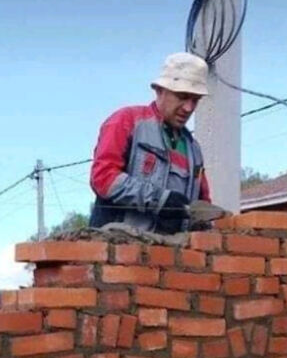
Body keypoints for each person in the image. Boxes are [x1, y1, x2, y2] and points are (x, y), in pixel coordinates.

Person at [89, 52, 212, 234]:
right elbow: (103, 178)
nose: (189, 108)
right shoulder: (127, 121)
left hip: (172, 249)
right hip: (118, 245)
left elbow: (203, 203)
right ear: (159, 90)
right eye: (182, 96)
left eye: (195, 100)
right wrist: (159, 200)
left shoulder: (194, 150)